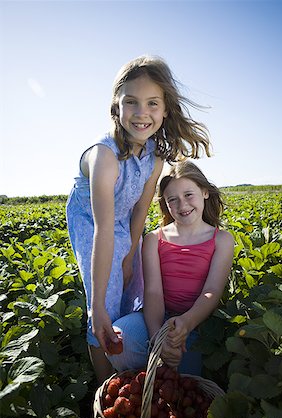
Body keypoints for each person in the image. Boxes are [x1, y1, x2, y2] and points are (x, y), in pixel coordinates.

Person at [66, 55, 211, 382]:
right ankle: (104, 386)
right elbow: (103, 230)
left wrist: (131, 254)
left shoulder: (155, 158)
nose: (142, 112)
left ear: (165, 109)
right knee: (102, 306)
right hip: (92, 224)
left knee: (132, 290)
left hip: (123, 223)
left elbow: (140, 211)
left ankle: (132, 365)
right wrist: (99, 304)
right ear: (115, 107)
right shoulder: (104, 156)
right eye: (131, 102)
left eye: (152, 103)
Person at [108, 161, 234, 375]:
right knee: (120, 337)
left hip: (197, 322)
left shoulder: (222, 239)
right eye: (172, 200)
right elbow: (153, 292)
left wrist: (186, 323)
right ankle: (144, 380)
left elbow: (212, 291)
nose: (182, 205)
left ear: (204, 192)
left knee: (185, 378)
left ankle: (156, 374)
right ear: (165, 204)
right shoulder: (154, 239)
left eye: (188, 195)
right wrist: (157, 335)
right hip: (158, 317)